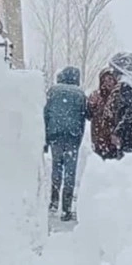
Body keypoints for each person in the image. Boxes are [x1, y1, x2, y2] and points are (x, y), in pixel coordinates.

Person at [43, 66, 87, 222]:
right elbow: (84, 116)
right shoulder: (80, 93)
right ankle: (66, 208)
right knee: (70, 172)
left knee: (57, 167)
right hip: (72, 137)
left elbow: (46, 113)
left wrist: (46, 139)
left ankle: (54, 201)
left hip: (56, 136)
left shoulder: (53, 91)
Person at [86, 68, 122, 160]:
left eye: (110, 79)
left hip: (114, 139)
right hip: (99, 139)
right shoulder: (97, 96)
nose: (107, 83)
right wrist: (91, 105)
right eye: (104, 80)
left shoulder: (120, 96)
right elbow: (89, 116)